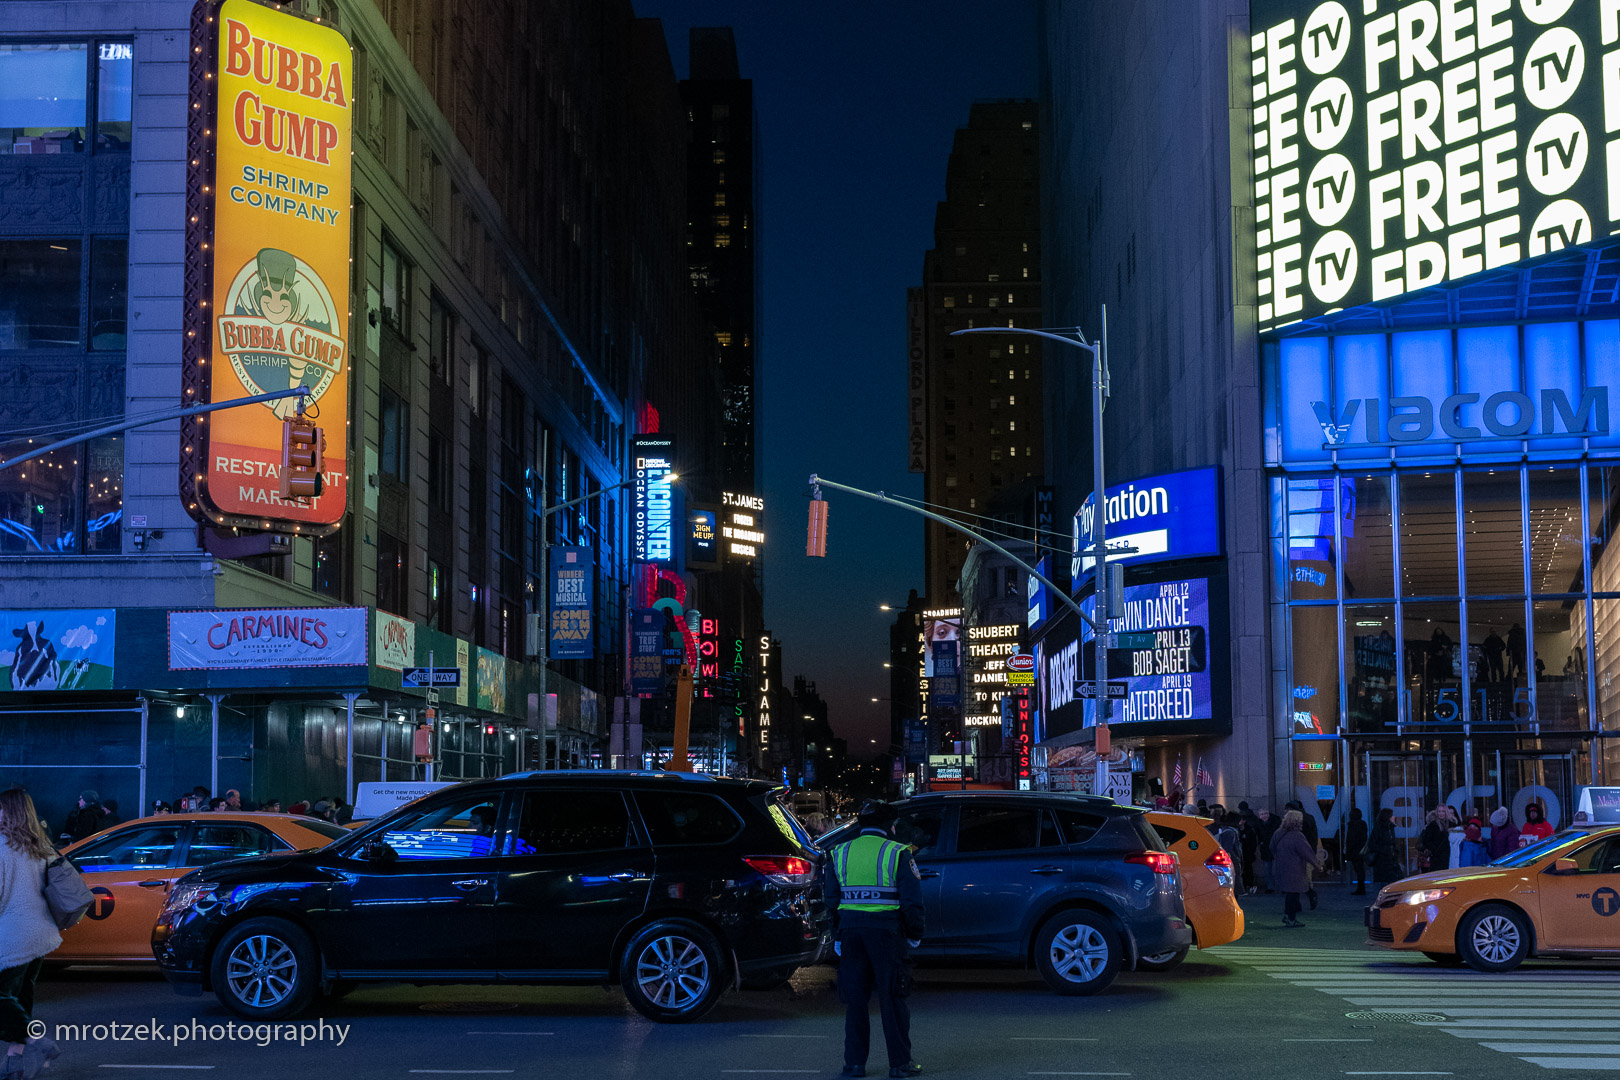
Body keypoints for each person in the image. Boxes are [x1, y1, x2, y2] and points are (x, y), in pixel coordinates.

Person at [823, 800, 924, 1079]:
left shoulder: (839, 852)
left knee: (855, 1001)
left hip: (851, 933)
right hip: (886, 934)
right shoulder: (898, 852)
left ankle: (854, 1065)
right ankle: (899, 1064)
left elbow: (831, 900)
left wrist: (838, 934)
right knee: (893, 998)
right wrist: (915, 933)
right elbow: (912, 901)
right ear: (889, 826)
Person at [0, 788, 66, 1078]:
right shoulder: (41, 844)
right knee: (20, 998)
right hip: (42, 933)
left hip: (14, 936)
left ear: (9, 811)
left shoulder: (2, 847)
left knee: (3, 997)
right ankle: (14, 1061)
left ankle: (37, 1043)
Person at [1272, 809, 1320, 928]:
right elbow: (1307, 853)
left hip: (1281, 866)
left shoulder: (1278, 833)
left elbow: (1271, 847)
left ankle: (1288, 916)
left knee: (1290, 893)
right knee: (1293, 893)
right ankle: (1290, 918)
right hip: (1295, 868)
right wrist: (1317, 865)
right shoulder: (1297, 836)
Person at [1367, 807, 1401, 886]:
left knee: (1395, 879)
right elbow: (1372, 844)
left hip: (1391, 859)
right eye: (1391, 816)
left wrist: (1395, 851)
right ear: (1387, 817)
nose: (1394, 817)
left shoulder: (1390, 828)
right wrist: (1385, 850)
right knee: (1385, 881)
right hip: (1382, 859)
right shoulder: (1379, 828)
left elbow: (1392, 842)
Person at [1345, 807, 1369, 896]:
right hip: (1359, 850)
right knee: (1360, 869)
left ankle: (1360, 888)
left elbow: (1351, 839)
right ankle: (1361, 887)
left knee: (1358, 869)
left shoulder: (1353, 825)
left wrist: (1348, 851)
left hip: (1354, 850)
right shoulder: (1362, 824)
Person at [1419, 807, 1452, 872]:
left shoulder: (1445, 824)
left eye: (1443, 811)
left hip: (1440, 856)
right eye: (1439, 811)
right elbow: (1426, 841)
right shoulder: (1434, 826)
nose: (1441, 814)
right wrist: (1434, 850)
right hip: (1439, 857)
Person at [1257, 808, 1280, 894]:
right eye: (1262, 814)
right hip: (1265, 848)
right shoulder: (1258, 824)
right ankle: (1270, 886)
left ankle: (1280, 885)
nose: (1264, 816)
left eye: (1265, 813)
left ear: (1269, 814)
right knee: (1267, 868)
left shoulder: (1276, 822)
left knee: (1278, 868)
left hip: (1275, 847)